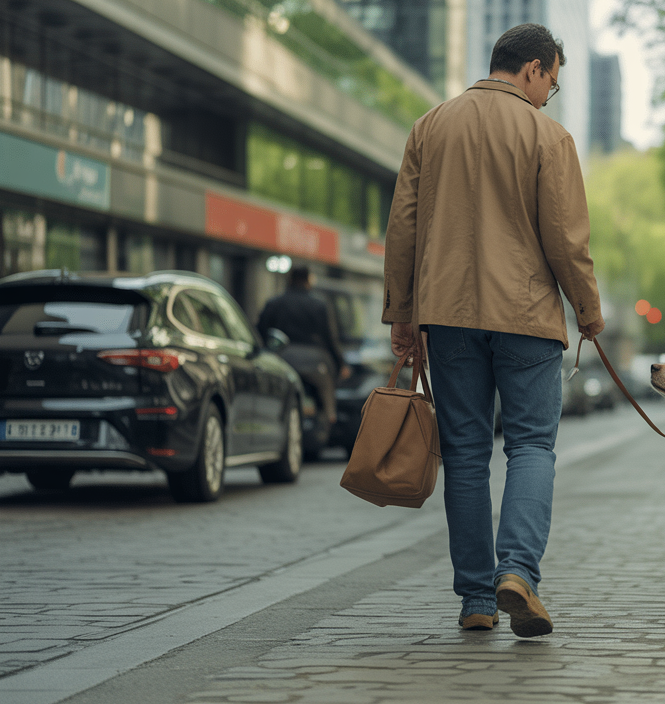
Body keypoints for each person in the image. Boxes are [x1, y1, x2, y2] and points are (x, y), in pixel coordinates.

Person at [381, 23, 604, 638]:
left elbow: (403, 228)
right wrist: (587, 309)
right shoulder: (548, 136)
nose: (548, 95)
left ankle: (477, 598)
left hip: (447, 316)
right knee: (532, 446)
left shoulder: (430, 127)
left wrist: (403, 315)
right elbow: (566, 239)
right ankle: (519, 574)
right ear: (533, 69)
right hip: (528, 318)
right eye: (551, 83)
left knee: (467, 456)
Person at [257, 265, 351, 424]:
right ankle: (330, 416)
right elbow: (330, 338)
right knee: (326, 388)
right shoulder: (319, 305)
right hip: (315, 362)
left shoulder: (274, 303)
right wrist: (341, 364)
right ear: (308, 280)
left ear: (290, 280)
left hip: (282, 359)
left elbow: (260, 331)